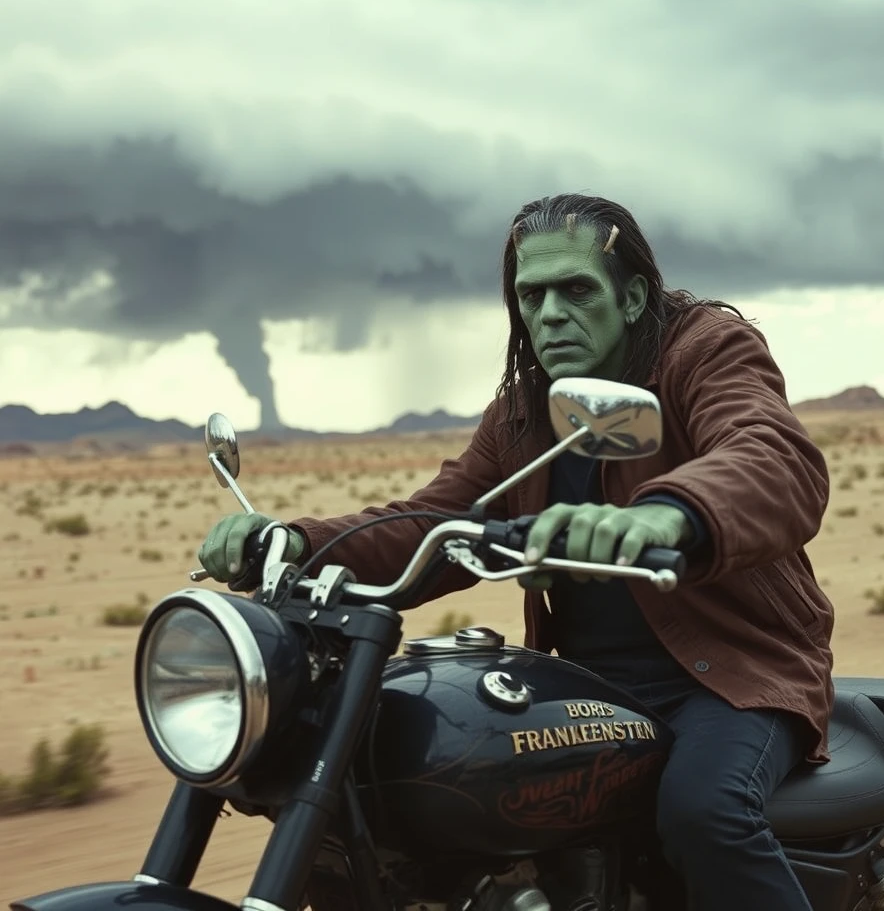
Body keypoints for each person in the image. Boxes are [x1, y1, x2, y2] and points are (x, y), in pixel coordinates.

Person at [198, 194, 834, 911]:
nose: (551, 313)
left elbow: (771, 455)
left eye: (576, 289)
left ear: (629, 298)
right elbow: (433, 518)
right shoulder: (527, 411)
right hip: (591, 688)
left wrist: (666, 515)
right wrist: (296, 542)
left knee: (703, 813)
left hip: (730, 674)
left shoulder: (702, 351)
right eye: (532, 295)